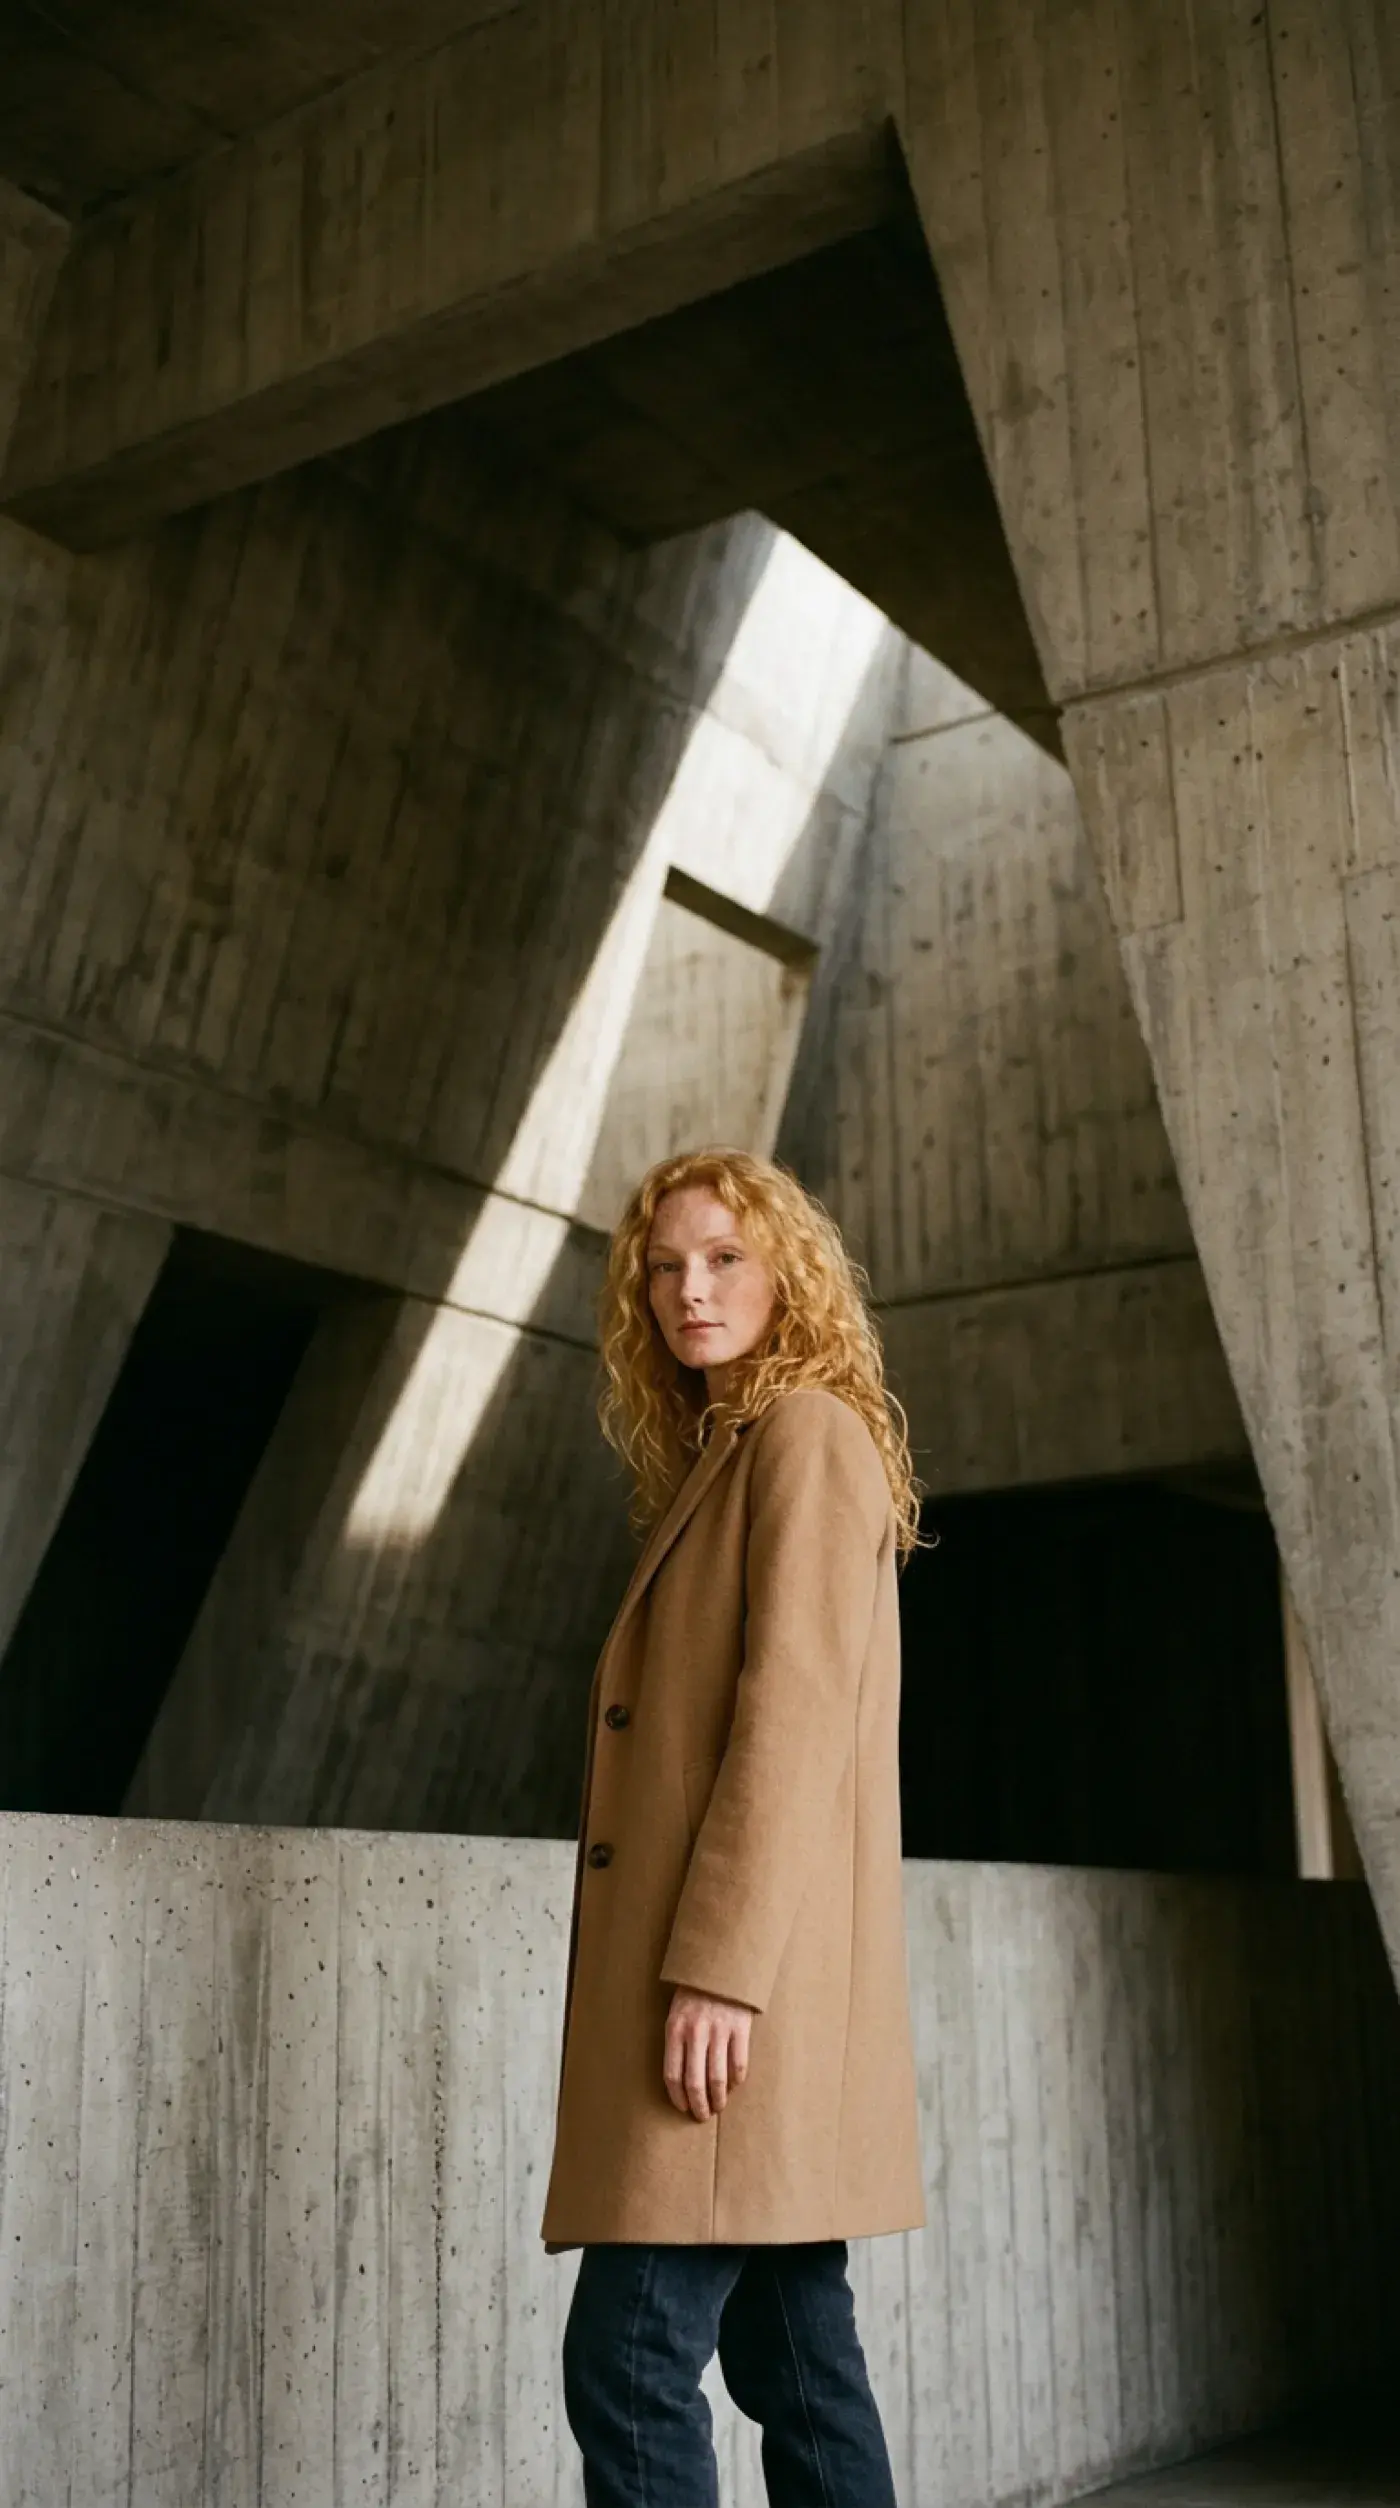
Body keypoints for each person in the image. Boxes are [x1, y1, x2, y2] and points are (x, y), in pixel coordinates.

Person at [540, 1145, 927, 2507]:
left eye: (723, 1260)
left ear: (788, 1277)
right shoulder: (732, 1449)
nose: (688, 1292)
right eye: (663, 1268)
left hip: (724, 1994)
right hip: (739, 1995)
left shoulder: (808, 1437)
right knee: (796, 2357)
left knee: (631, 2356)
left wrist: (717, 1966)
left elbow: (796, 1719)